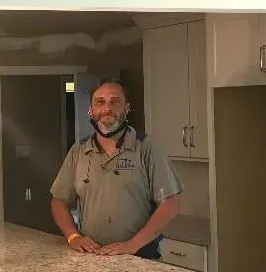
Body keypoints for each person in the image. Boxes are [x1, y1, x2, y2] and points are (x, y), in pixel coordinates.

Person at [49, 78, 182, 260]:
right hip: (92, 257)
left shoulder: (146, 147)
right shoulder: (78, 151)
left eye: (115, 101)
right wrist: (73, 237)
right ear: (91, 110)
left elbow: (170, 204)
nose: (107, 109)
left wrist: (132, 245)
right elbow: (58, 202)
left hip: (140, 258)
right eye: (100, 102)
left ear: (127, 108)